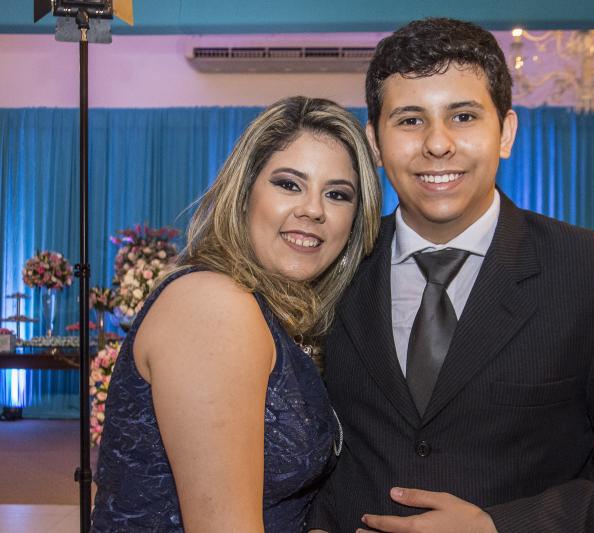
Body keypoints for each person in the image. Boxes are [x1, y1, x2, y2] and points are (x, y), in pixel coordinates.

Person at [308, 18, 594, 533]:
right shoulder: (329, 267)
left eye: (463, 116)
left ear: (506, 132)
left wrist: (500, 527)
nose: (437, 144)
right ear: (375, 143)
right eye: (410, 120)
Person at [91, 96, 382, 532]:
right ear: (245, 193)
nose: (313, 210)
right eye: (289, 184)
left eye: (337, 194)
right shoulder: (214, 304)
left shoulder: (271, 311)